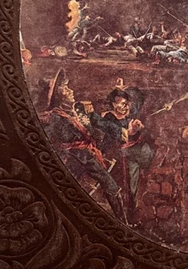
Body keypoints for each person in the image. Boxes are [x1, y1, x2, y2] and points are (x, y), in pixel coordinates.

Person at [39, 70, 124, 218]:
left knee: (110, 185)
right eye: (65, 88)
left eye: (68, 87)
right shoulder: (54, 118)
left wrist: (122, 132)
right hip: (70, 159)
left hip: (87, 156)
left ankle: (122, 221)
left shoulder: (80, 108)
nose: (70, 91)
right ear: (58, 95)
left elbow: (100, 122)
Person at [90, 77, 154, 219]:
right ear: (113, 105)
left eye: (127, 104)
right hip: (116, 158)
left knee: (134, 183)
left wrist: (136, 128)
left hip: (131, 155)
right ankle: (125, 214)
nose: (126, 107)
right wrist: (130, 131)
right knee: (125, 185)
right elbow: (113, 133)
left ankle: (132, 211)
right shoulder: (108, 118)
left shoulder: (128, 116)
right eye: (123, 104)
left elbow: (140, 98)